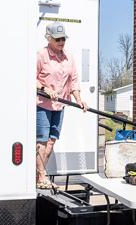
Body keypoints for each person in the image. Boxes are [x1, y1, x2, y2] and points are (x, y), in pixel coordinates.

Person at [36, 22, 88, 189]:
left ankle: (39, 175)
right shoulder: (41, 55)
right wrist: (44, 88)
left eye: (63, 38)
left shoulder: (69, 57)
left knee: (51, 141)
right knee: (42, 141)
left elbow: (73, 80)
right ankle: (41, 177)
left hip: (60, 105)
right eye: (57, 39)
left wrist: (79, 99)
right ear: (49, 38)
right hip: (43, 104)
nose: (61, 41)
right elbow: (31, 78)